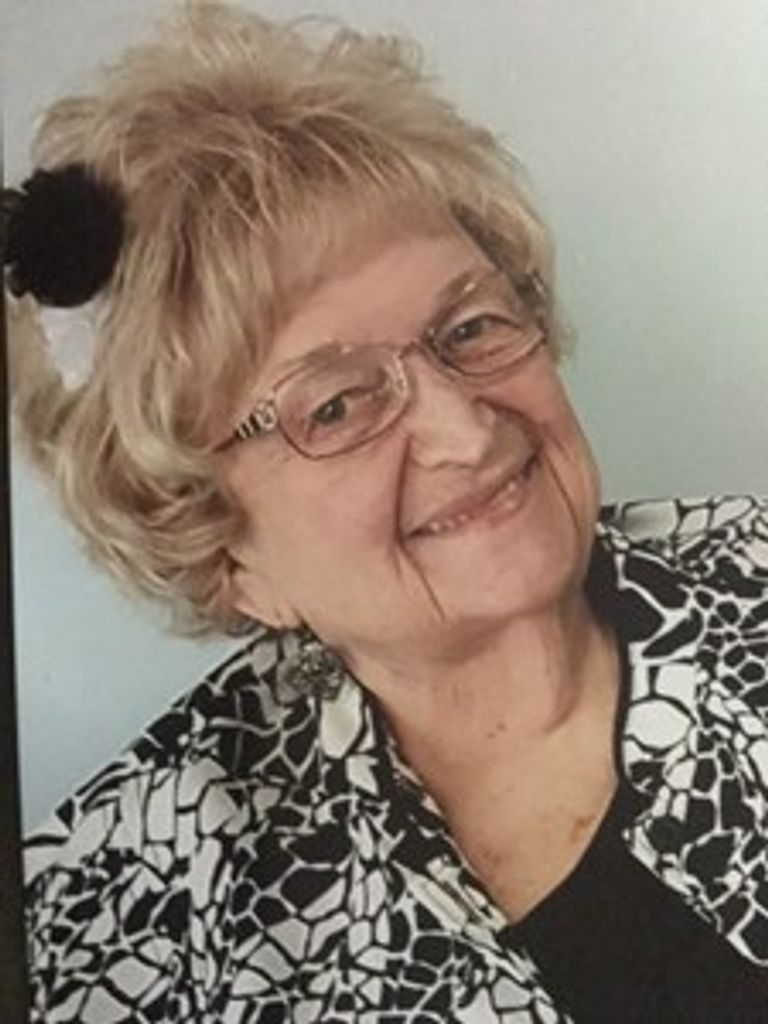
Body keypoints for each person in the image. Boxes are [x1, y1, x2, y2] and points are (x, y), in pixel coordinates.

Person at [5, 4, 767, 1021]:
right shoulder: (117, 921)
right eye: (336, 405)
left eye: (470, 326)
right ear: (221, 552)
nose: (464, 429)